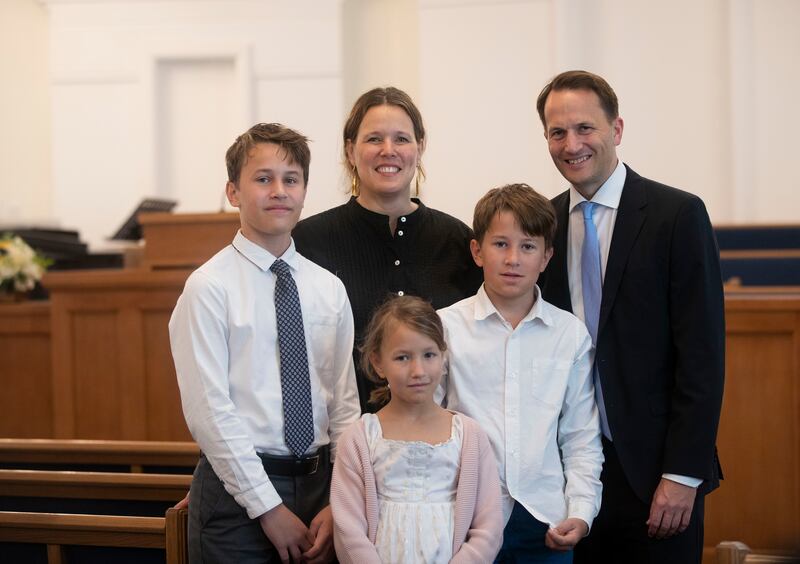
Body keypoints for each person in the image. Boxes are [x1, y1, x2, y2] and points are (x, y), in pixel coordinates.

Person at [536, 70, 725, 563]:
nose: (571, 144)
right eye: (557, 132)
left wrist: (683, 474)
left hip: (656, 473)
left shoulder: (677, 215)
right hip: (572, 476)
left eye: (584, 128)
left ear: (616, 130)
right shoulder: (544, 225)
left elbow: (702, 358)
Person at [169, 123, 360, 564]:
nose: (279, 190)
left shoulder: (328, 288)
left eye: (291, 179)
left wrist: (340, 499)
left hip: (320, 495)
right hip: (237, 499)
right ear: (233, 192)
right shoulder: (209, 288)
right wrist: (268, 507)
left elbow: (345, 406)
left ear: (305, 191)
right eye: (263, 178)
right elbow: (209, 412)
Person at [438, 183, 603, 563]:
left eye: (528, 247)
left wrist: (580, 510)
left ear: (546, 257)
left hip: (544, 520)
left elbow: (580, 436)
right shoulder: (444, 328)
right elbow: (425, 424)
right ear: (477, 251)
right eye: (500, 244)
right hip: (463, 517)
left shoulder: (569, 335)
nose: (513, 258)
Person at [292, 86, 483, 413]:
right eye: (374, 139)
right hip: (343, 442)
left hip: (443, 443)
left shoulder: (459, 241)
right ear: (350, 151)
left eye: (402, 139)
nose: (388, 150)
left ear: (420, 148)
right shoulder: (308, 241)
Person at [330, 295, 504, 563]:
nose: (418, 370)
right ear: (378, 363)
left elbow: (488, 528)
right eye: (402, 357)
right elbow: (348, 528)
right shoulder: (359, 439)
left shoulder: (468, 436)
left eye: (429, 355)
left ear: (443, 356)